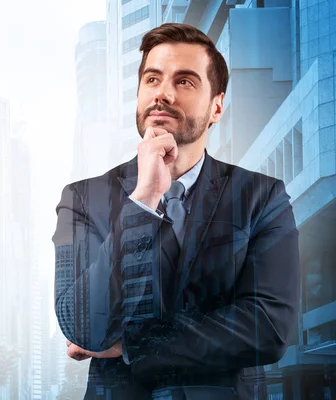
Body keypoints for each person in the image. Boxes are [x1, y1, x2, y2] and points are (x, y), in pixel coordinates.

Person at [52, 23, 300, 399]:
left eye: (184, 82)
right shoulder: (83, 198)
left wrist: (134, 345)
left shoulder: (261, 197)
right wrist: (144, 199)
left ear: (217, 106)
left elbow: (268, 327)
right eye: (152, 79)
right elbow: (83, 326)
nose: (163, 94)